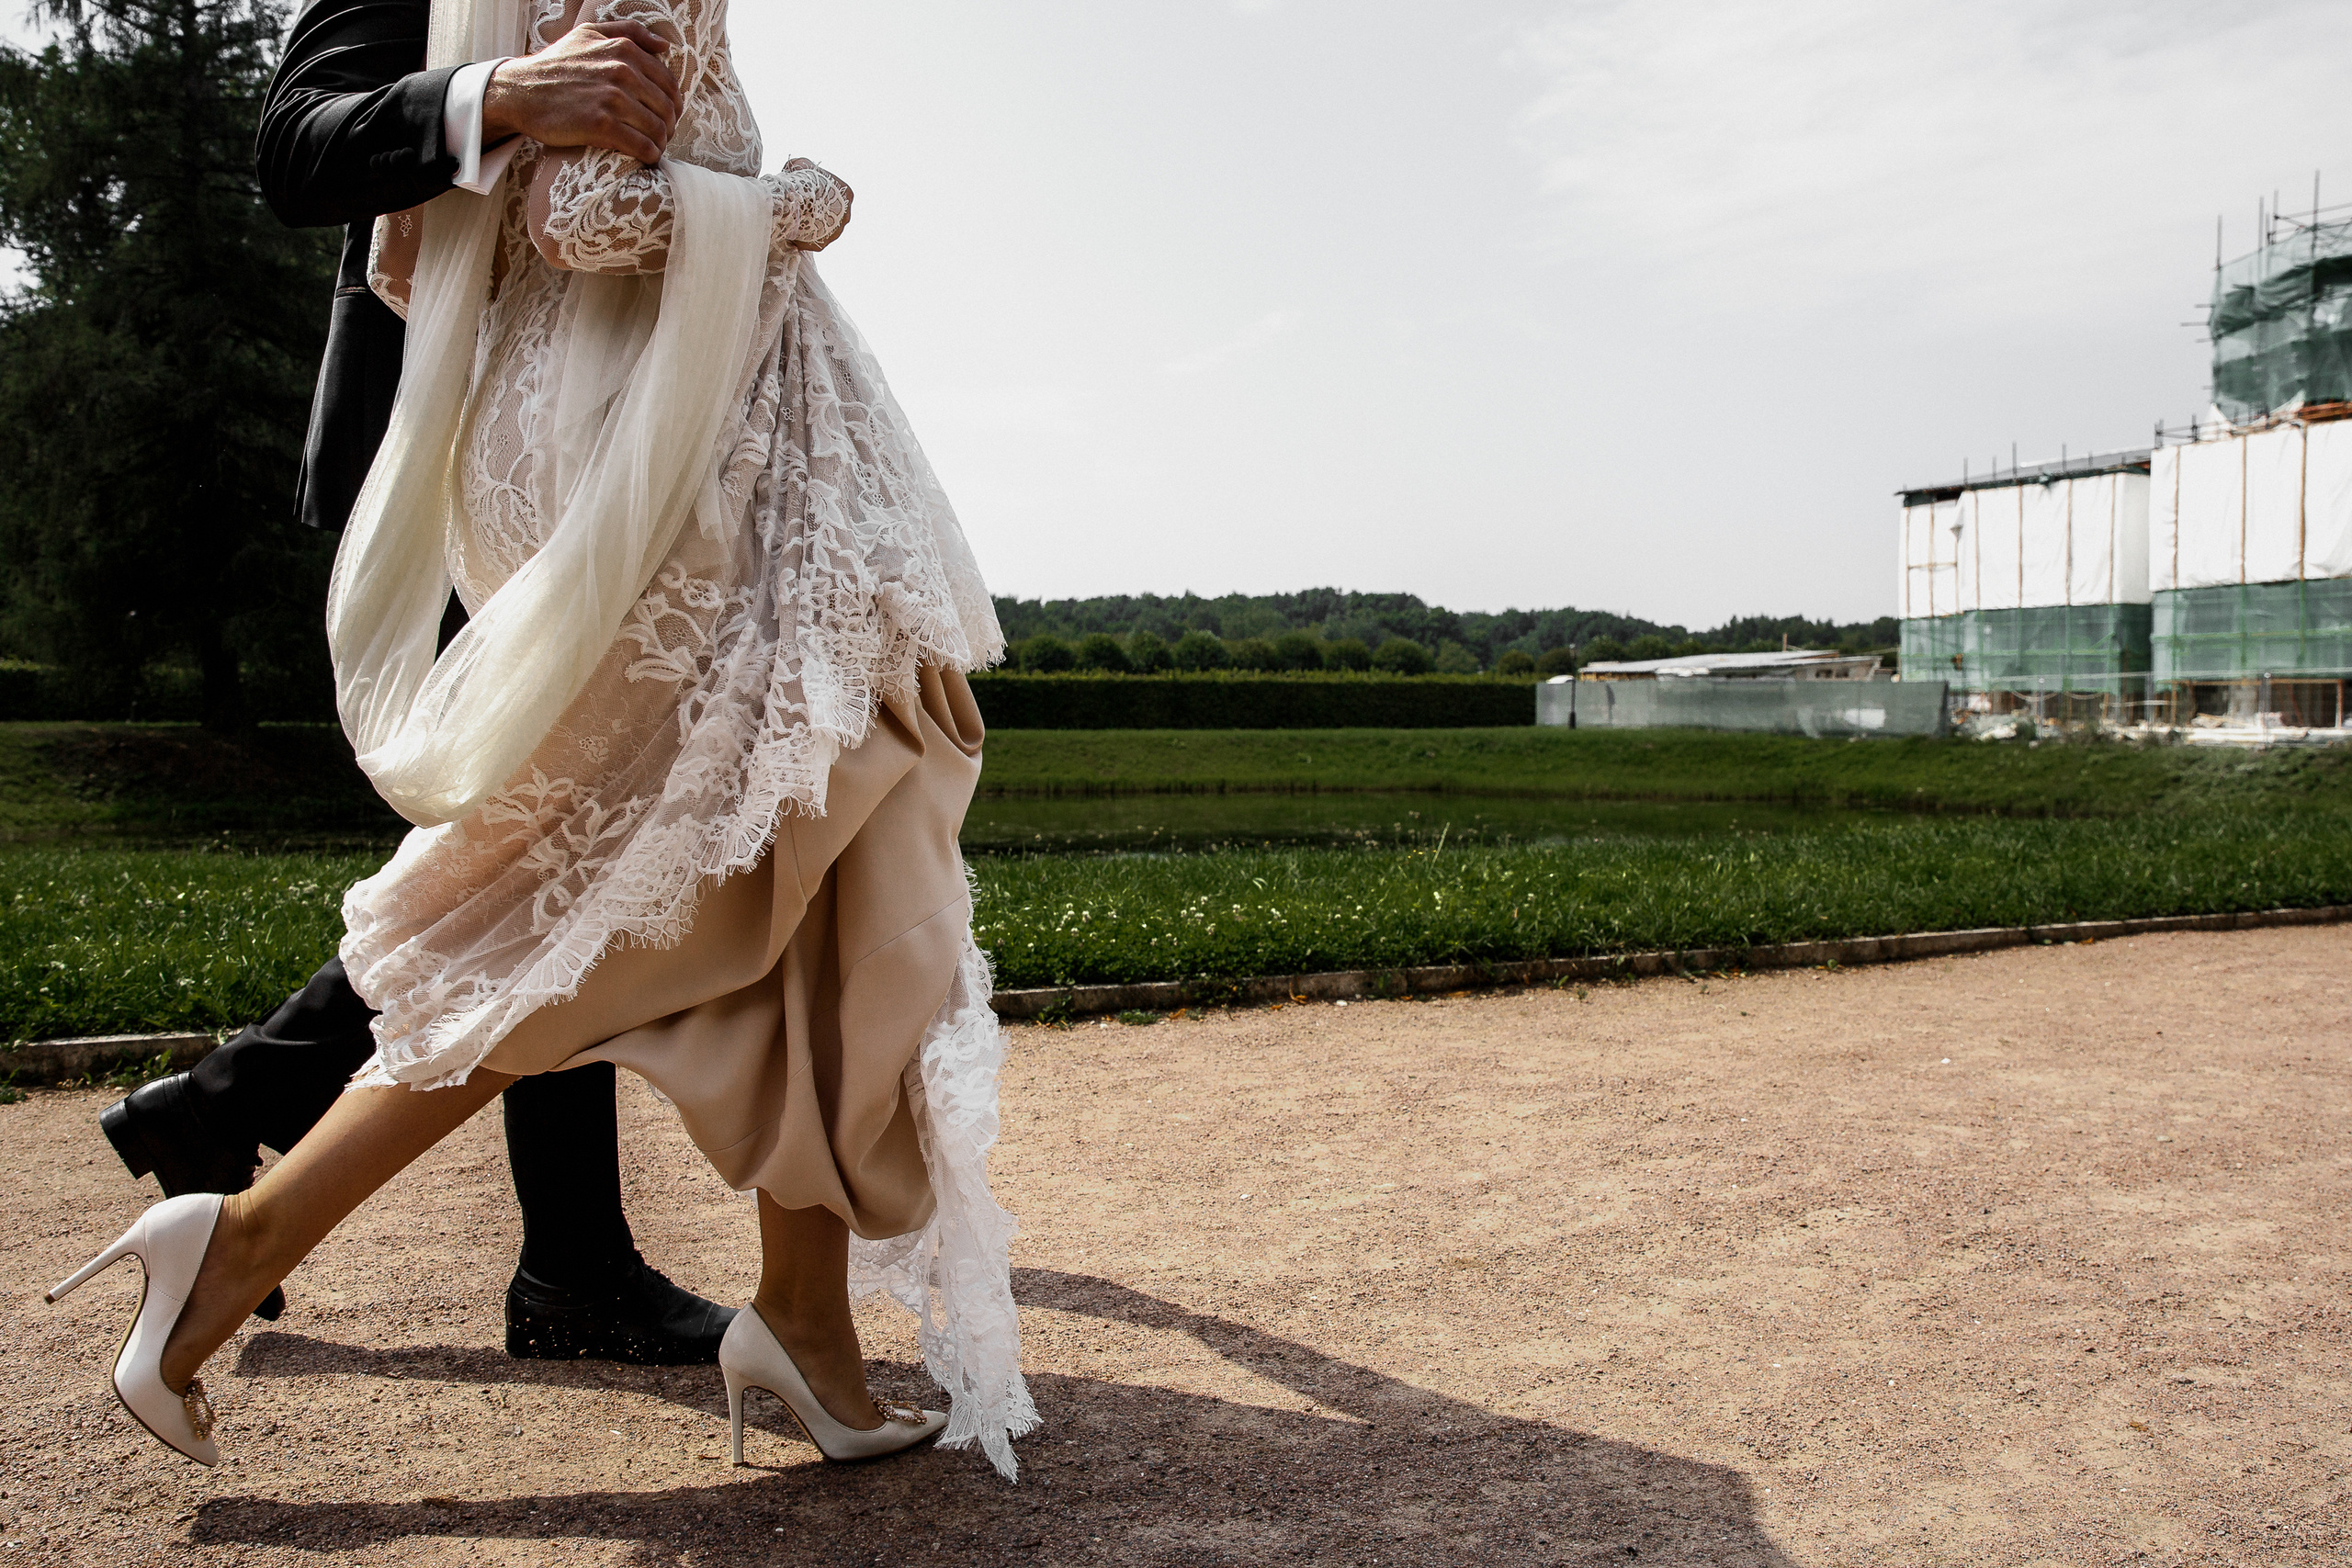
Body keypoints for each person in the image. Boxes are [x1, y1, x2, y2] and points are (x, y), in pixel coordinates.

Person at [51, 0, 1034, 1481]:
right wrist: (801, 205)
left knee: (779, 865)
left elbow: (455, 240)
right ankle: (243, 1239)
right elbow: (587, 212)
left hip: (578, 443)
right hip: (675, 458)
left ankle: (798, 1319)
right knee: (620, 885)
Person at [96, 0, 734, 1363]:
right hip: (452, 456)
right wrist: (506, 93)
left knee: (544, 836)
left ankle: (251, 1112)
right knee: (548, 838)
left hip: (594, 447)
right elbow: (295, 149)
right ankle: (558, 1262)